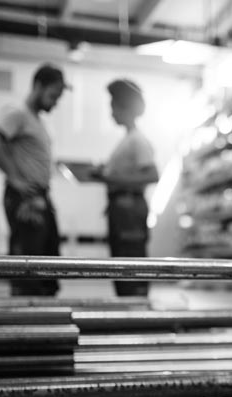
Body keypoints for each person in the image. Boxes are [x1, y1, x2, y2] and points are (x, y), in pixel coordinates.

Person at [0, 63, 68, 296]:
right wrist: (14, 177)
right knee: (28, 269)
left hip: (40, 197)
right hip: (26, 200)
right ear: (38, 86)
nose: (55, 103)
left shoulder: (36, 120)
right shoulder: (17, 113)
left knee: (48, 268)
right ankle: (27, 322)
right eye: (53, 96)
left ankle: (47, 322)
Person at [92, 79, 158, 297]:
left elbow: (151, 174)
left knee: (131, 265)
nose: (111, 112)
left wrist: (112, 177)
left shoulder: (137, 140)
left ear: (124, 107)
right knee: (122, 265)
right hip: (122, 211)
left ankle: (135, 310)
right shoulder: (127, 140)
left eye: (113, 106)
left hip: (129, 210)